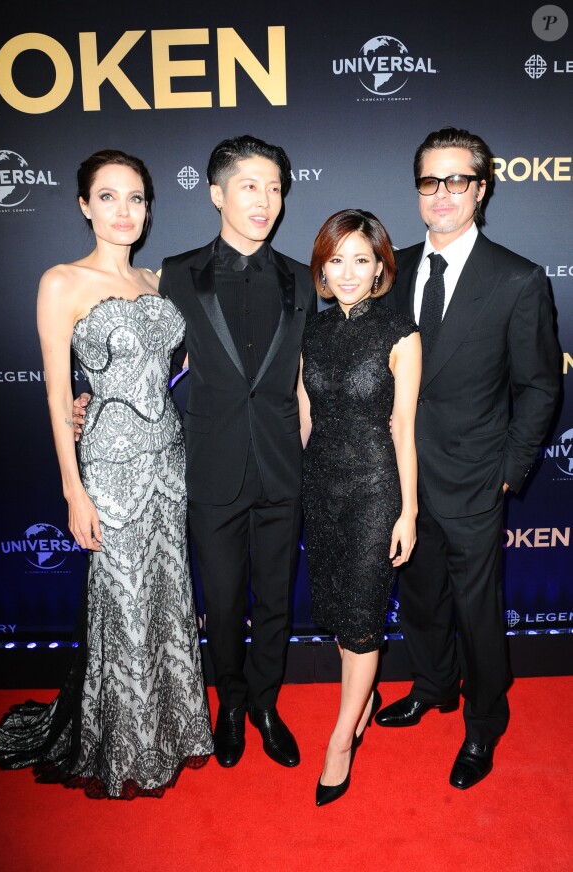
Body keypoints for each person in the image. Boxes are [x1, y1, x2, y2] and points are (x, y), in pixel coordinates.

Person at [76, 135, 317, 768]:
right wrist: (91, 403)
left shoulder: (299, 277)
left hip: (282, 466)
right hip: (208, 467)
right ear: (216, 194)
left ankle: (265, 704)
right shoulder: (176, 275)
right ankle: (230, 705)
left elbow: (299, 376)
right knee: (225, 598)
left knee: (274, 598)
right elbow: (144, 359)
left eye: (274, 188)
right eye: (249, 186)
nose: (265, 200)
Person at [0, 150, 213, 799]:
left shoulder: (156, 281)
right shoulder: (61, 282)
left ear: (149, 209)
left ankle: (174, 728)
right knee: (121, 602)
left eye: (137, 198)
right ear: (85, 205)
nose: (125, 211)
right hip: (109, 468)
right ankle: (122, 739)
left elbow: (170, 368)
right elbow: (60, 396)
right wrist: (72, 487)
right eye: (109, 197)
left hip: (168, 461)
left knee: (169, 596)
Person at [374, 127, 560, 790]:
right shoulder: (387, 270)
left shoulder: (517, 278)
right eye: (431, 181)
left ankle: (484, 723)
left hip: (475, 478)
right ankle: (432, 688)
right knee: (419, 596)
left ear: (481, 188)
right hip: (401, 474)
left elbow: (540, 385)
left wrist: (509, 469)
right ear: (418, 190)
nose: (443, 194)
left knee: (477, 609)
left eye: (458, 180)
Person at [297, 209, 422, 806]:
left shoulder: (401, 333)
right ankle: (362, 699)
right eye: (336, 259)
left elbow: (404, 428)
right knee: (341, 613)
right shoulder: (312, 331)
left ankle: (342, 739)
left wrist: (409, 511)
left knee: (365, 616)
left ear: (380, 268)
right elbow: (304, 416)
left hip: (375, 489)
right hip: (320, 489)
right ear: (322, 267)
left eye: (362, 260)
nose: (348, 272)